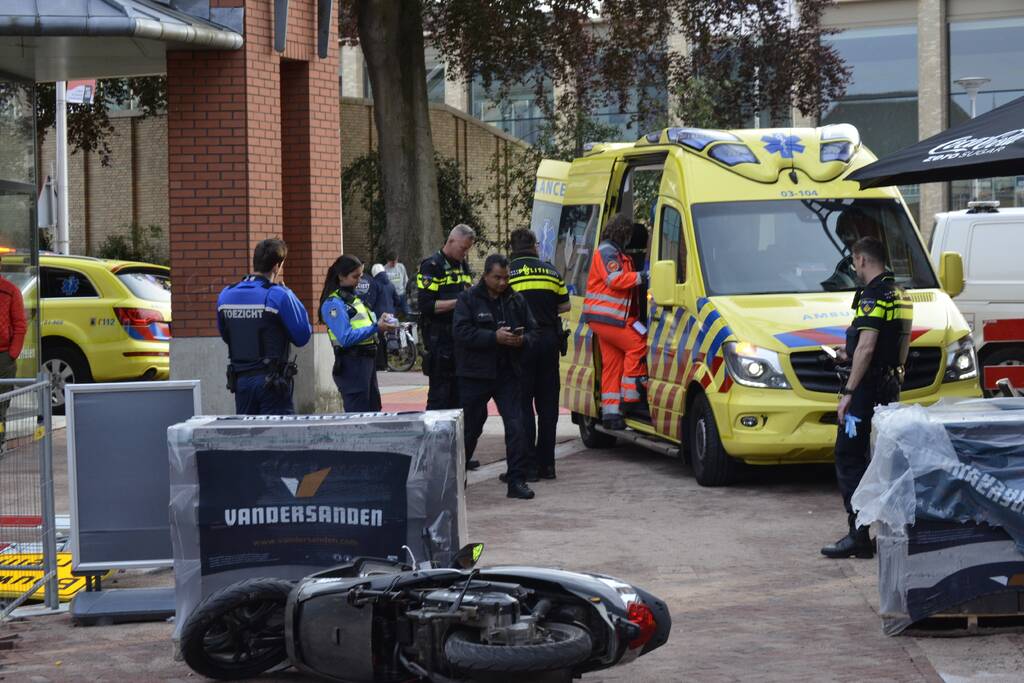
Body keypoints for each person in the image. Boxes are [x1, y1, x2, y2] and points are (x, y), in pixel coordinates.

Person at [821, 236, 912, 559]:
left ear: (861, 260)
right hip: (890, 386)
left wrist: (848, 392)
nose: (855, 267)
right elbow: (886, 344)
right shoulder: (899, 293)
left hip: (868, 390)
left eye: (854, 261)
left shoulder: (873, 296)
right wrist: (849, 354)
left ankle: (858, 534)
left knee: (849, 456)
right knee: (883, 460)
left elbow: (869, 345)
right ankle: (885, 531)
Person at [453, 254, 537, 499]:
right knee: (469, 429)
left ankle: (516, 480)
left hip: (508, 373)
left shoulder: (515, 299)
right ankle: (457, 482)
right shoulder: (468, 299)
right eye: (497, 278)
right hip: (475, 374)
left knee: (516, 426)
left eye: (506, 277)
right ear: (486, 275)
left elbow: (534, 332)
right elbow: (461, 332)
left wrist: (522, 340)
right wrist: (493, 337)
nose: (502, 283)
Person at [217, 239, 312, 415]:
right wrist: (291, 294)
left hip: (241, 381)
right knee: (279, 438)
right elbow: (302, 335)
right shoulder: (278, 295)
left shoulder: (226, 294)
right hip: (271, 383)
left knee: (247, 437)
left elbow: (225, 334)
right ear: (277, 266)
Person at [508, 227, 570, 481]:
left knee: (522, 405)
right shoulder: (551, 270)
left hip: (520, 342)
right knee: (547, 406)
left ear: (513, 248)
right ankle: (548, 465)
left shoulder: (507, 272)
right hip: (548, 341)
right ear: (534, 245)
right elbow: (565, 304)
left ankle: (529, 467)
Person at [581, 212, 650, 430]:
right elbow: (615, 280)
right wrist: (644, 276)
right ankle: (632, 400)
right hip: (609, 318)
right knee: (639, 344)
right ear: (623, 233)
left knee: (612, 364)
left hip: (606, 319)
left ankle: (611, 415)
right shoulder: (608, 252)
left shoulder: (615, 252)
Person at [320, 255, 398, 412]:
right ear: (341, 276)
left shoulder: (354, 299)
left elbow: (364, 323)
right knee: (358, 413)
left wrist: (380, 319)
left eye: (361, 276)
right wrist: (376, 327)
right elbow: (345, 337)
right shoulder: (333, 304)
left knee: (373, 409)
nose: (359, 281)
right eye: (355, 277)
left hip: (367, 363)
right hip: (352, 364)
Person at [418, 224, 475, 413]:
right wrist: (460, 301)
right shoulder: (431, 266)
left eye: (468, 249)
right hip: (440, 340)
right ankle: (434, 440)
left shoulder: (462, 265)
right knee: (440, 396)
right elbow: (426, 305)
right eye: (463, 248)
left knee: (460, 397)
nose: (465, 253)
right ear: (451, 241)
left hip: (460, 339)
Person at [0, 262, 26, 451]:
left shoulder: (10, 291)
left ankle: (0, 441)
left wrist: (11, 354)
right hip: (6, 354)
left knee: (1, 404)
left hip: (3, 356)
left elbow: (19, 325)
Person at [371, 263, 402, 370]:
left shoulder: (374, 284)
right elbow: (398, 300)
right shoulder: (391, 284)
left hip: (380, 317)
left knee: (379, 340)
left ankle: (380, 365)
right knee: (389, 338)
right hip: (391, 316)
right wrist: (394, 311)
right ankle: (387, 363)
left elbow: (372, 301)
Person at [384, 251, 411, 315]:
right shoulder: (384, 269)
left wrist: (405, 291)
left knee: (408, 312)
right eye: (392, 262)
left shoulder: (401, 267)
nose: (394, 264)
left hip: (402, 294)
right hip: (391, 297)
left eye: (395, 261)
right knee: (391, 314)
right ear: (388, 261)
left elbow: (405, 280)